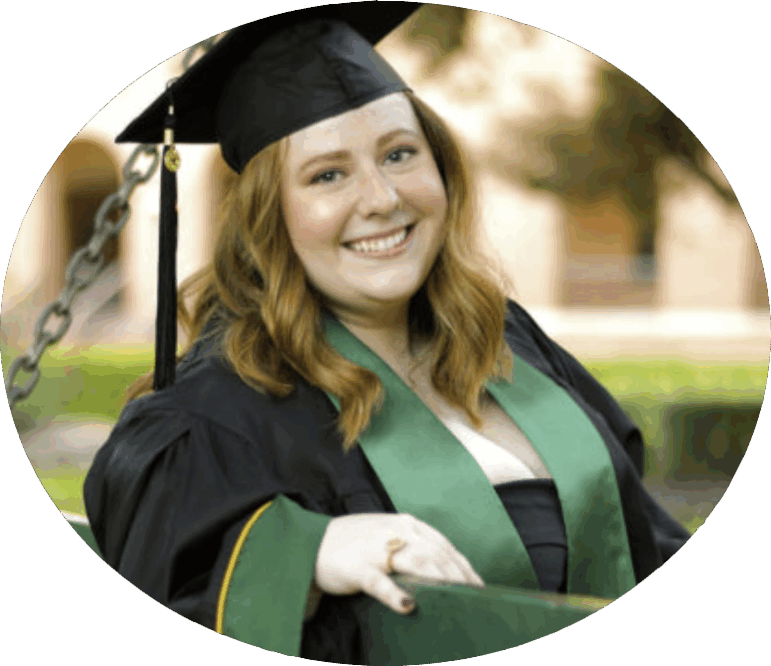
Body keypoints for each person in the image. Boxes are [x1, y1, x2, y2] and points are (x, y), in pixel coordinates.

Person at [83, 3, 690, 663]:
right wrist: (302, 555)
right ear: (268, 215)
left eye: (399, 154)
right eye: (327, 175)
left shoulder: (514, 346)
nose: (381, 198)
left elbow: (645, 544)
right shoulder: (215, 418)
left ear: (442, 170)